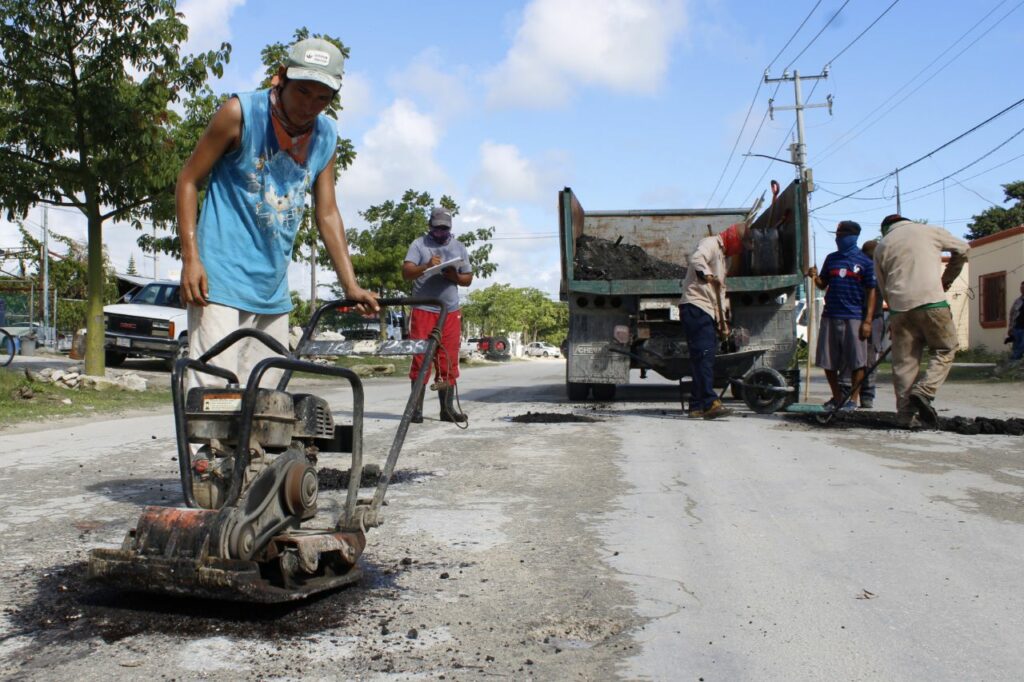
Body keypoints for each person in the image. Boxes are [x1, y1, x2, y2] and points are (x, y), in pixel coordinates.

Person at [176, 38, 378, 387]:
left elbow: (327, 213)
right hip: (219, 280)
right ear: (281, 77)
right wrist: (191, 258)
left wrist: (351, 285)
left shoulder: (326, 135)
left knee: (266, 400)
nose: (309, 106)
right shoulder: (240, 114)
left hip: (273, 290)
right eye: (302, 92)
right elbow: (188, 180)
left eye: (322, 98)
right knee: (212, 394)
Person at [873, 214, 969, 428]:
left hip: (899, 308)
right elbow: (963, 249)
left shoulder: (882, 245)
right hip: (932, 302)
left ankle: (905, 416)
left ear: (885, 228)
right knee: (945, 349)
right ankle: (924, 390)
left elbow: (882, 284)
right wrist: (946, 280)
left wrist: (895, 313)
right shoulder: (929, 231)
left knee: (905, 362)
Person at [403, 206, 474, 423]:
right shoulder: (419, 244)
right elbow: (407, 272)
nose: (441, 233)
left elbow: (468, 278)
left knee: (448, 360)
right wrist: (426, 266)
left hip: (450, 312)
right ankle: (415, 410)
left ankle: (447, 409)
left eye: (445, 229)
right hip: (423, 310)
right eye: (437, 229)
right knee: (421, 358)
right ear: (430, 226)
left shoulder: (459, 247)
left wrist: (455, 277)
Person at [679, 222, 747, 420]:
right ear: (734, 239)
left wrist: (722, 323)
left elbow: (720, 295)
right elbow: (696, 258)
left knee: (703, 359)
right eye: (739, 246)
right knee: (704, 357)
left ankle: (696, 406)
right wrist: (707, 275)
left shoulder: (723, 259)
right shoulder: (709, 243)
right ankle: (710, 402)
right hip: (696, 307)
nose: (738, 251)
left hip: (707, 311)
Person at [806, 221, 877, 411]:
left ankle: (853, 399)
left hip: (854, 317)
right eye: (837, 235)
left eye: (841, 235)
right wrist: (814, 276)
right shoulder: (831, 259)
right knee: (828, 361)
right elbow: (823, 284)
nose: (838, 238)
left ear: (852, 237)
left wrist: (868, 321)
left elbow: (872, 291)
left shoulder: (865, 262)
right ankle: (837, 397)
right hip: (830, 315)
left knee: (857, 362)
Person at [1007, 281, 1024, 361]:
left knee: (1022, 345)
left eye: (1023, 287)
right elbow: (1012, 315)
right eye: (1021, 287)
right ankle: (1014, 363)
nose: (1022, 289)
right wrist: (1010, 327)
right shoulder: (1017, 301)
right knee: (1016, 346)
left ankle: (1013, 359)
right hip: (1017, 328)